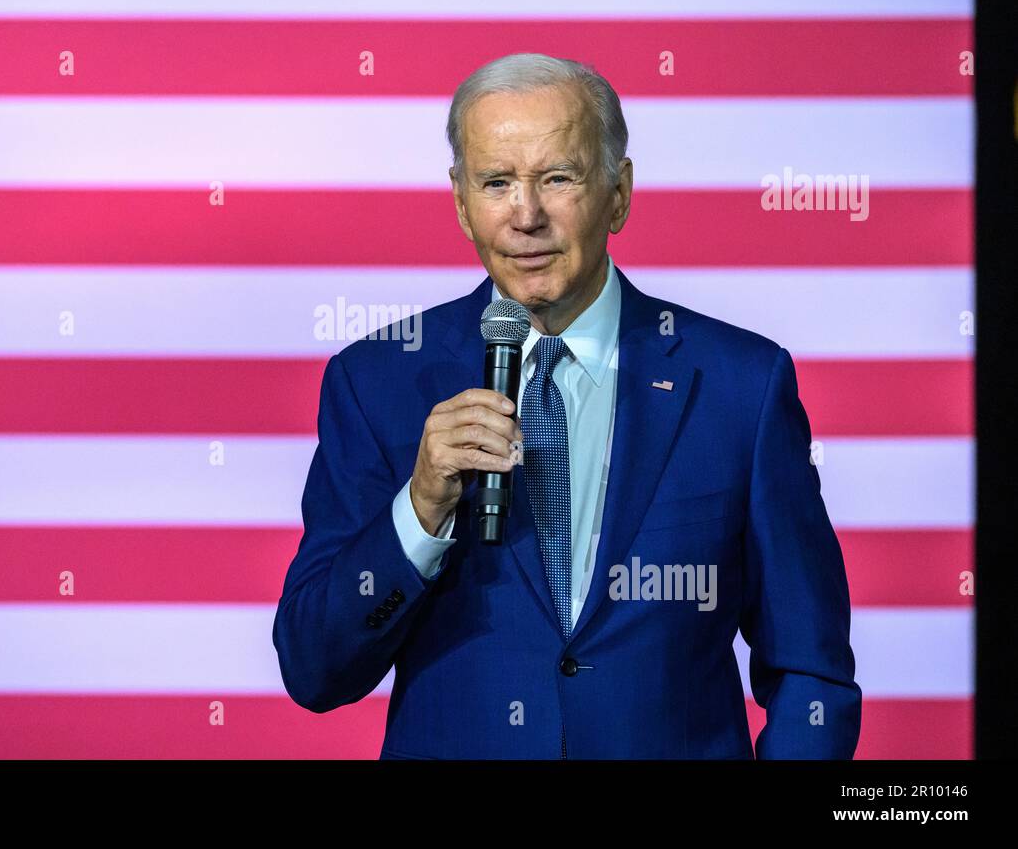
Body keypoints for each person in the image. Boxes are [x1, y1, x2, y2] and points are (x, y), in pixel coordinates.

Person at [272, 52, 860, 758]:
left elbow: (810, 668)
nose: (527, 216)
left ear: (619, 192)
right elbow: (314, 668)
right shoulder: (376, 382)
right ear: (460, 201)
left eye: (558, 178)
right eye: (497, 183)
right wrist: (422, 508)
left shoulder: (741, 385)